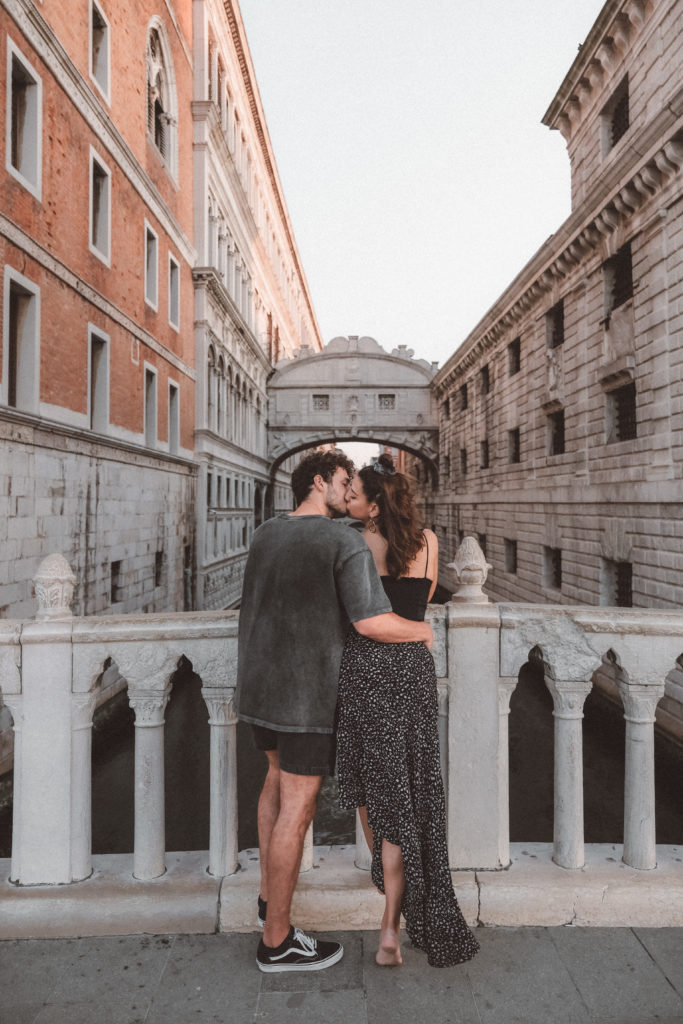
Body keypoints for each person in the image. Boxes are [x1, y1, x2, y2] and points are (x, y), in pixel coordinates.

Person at [234, 449, 433, 973]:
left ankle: (265, 898)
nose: (350, 491)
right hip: (306, 694)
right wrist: (423, 630)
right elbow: (372, 622)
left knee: (274, 783)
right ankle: (277, 940)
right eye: (344, 481)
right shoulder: (341, 540)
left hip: (259, 685)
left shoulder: (265, 533)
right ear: (318, 482)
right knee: (299, 807)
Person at [337, 453, 480, 968]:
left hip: (369, 673)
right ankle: (395, 918)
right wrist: (418, 628)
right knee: (411, 788)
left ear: (375, 507)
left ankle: (390, 922)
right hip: (414, 675)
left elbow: (359, 619)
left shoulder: (353, 544)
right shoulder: (431, 543)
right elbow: (420, 604)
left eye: (356, 492)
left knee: (378, 798)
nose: (348, 496)